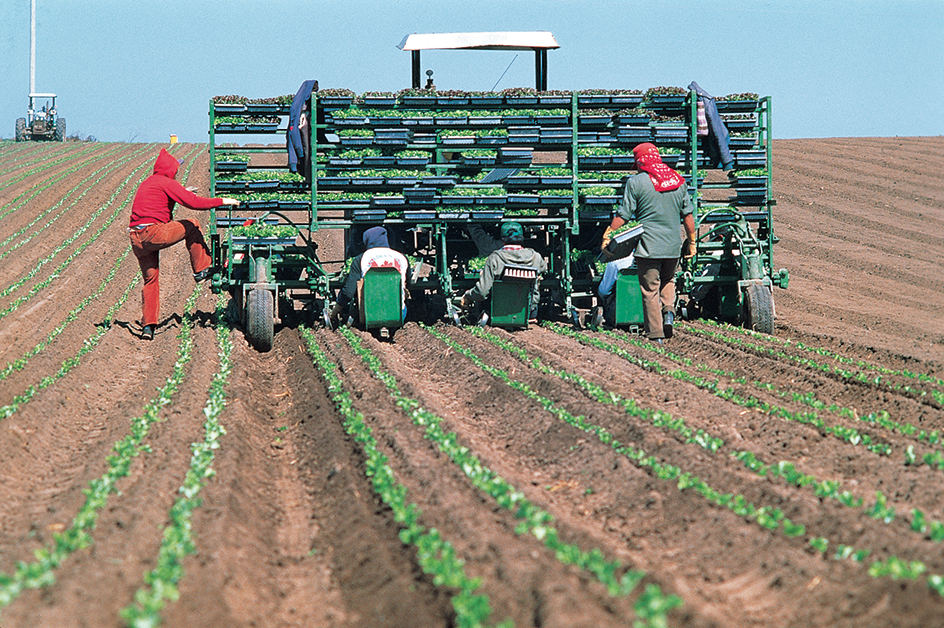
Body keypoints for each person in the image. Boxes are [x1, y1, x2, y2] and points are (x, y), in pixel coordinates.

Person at [128, 148, 240, 340]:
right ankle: (202, 269)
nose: (177, 172)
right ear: (169, 170)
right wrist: (222, 201)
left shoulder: (148, 183)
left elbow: (158, 200)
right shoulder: (166, 182)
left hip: (136, 238)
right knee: (192, 225)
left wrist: (180, 192)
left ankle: (148, 327)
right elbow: (194, 203)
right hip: (153, 233)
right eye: (176, 169)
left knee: (150, 280)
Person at [602, 143, 696, 344]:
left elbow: (624, 215)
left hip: (648, 247)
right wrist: (692, 242)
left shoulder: (636, 182)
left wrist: (609, 233)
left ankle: (656, 335)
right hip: (672, 246)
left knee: (650, 290)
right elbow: (688, 216)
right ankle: (669, 312)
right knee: (668, 280)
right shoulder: (678, 181)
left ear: (640, 162)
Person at [458, 222, 546, 321]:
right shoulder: (536, 257)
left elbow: (482, 292)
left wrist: (468, 295)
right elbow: (543, 269)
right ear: (522, 238)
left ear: (503, 240)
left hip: (498, 312)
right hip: (528, 311)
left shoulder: (495, 258)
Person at [330, 226, 409, 326]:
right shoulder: (402, 258)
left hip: (368, 315)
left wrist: (336, 310)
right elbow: (408, 284)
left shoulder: (361, 259)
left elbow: (349, 291)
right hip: (398, 314)